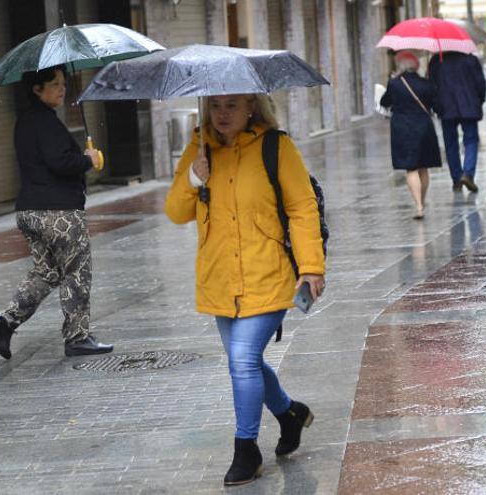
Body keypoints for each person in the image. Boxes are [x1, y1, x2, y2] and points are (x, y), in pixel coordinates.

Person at [165, 93, 325, 486]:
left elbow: (303, 208)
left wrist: (311, 268)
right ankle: (290, 413)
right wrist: (191, 178)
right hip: (220, 279)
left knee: (241, 359)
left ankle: (246, 449)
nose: (222, 113)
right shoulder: (199, 149)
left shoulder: (276, 146)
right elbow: (176, 212)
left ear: (252, 106)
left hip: (267, 273)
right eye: (216, 105)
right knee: (247, 363)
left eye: (232, 105)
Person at [0, 65, 112, 359]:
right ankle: (77, 337)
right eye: (54, 84)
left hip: (30, 211)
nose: (62, 88)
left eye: (63, 83)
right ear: (36, 90)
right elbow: (60, 162)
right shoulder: (46, 122)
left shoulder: (26, 121)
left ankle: (5, 322)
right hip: (59, 214)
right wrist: (86, 159)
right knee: (76, 272)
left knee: (47, 272)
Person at [380, 50, 442, 218]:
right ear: (416, 65)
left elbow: (384, 102)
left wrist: (391, 81)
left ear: (401, 65)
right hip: (424, 127)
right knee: (424, 168)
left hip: (403, 129)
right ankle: (422, 200)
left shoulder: (395, 84)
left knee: (411, 168)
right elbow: (437, 106)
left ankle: (419, 206)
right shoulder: (427, 83)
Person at [427, 51, 486, 193]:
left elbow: (432, 86)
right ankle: (468, 174)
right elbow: (480, 83)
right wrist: (479, 100)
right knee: (471, 140)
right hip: (469, 106)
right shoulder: (471, 59)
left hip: (446, 107)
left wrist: (436, 106)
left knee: (450, 143)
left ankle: (456, 179)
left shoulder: (436, 61)